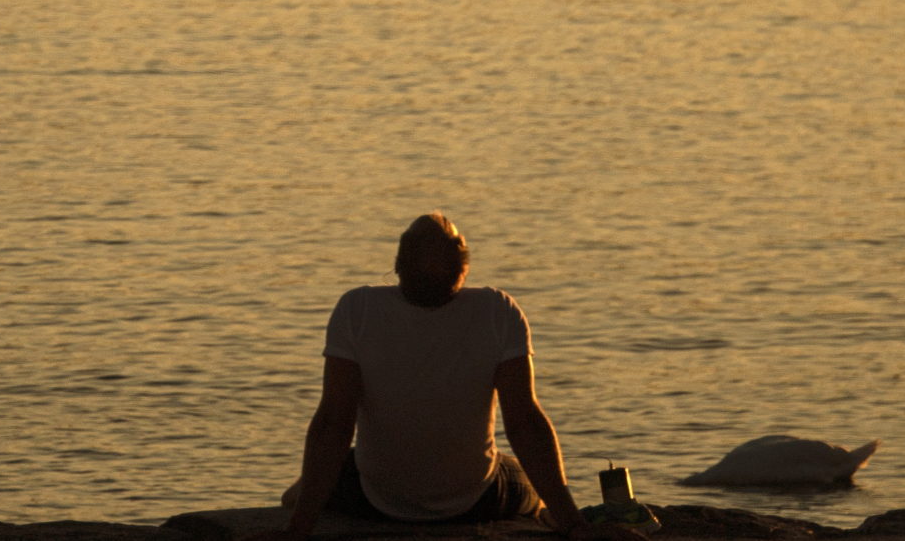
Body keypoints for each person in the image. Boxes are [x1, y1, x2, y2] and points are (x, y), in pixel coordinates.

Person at [263, 213, 637, 541]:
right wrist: (576, 525)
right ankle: (552, 515)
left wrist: (298, 529)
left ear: (397, 266)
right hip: (475, 501)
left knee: (304, 487)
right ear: (463, 270)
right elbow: (525, 423)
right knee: (525, 482)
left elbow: (333, 422)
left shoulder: (356, 309)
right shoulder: (498, 310)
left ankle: (299, 500)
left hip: (376, 500)